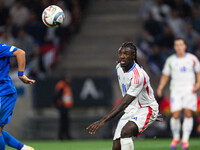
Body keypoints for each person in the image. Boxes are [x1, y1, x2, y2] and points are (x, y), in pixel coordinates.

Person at [87, 42, 162, 150]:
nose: (122, 56)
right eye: (120, 53)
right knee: (116, 145)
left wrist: (103, 120)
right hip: (131, 109)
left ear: (133, 56)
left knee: (126, 132)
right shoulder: (119, 68)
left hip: (146, 109)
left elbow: (124, 103)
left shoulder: (138, 76)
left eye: (126, 54)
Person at [157, 38, 200, 150]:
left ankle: (185, 140)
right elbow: (165, 75)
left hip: (189, 90)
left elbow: (198, 72)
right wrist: (161, 87)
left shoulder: (192, 59)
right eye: (177, 45)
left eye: (181, 44)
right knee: (175, 115)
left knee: (188, 114)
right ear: (174, 47)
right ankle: (176, 137)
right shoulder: (171, 60)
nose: (179, 47)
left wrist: (198, 83)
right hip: (176, 90)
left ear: (185, 46)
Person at [0, 42, 35, 150]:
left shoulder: (1, 48)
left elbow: (20, 53)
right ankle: (23, 148)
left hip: (4, 93)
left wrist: (21, 74)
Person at [54, 73, 74, 140]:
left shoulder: (66, 85)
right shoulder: (62, 85)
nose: (69, 79)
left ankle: (66, 135)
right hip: (63, 107)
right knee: (64, 122)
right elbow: (57, 96)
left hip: (66, 106)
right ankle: (62, 136)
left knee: (66, 122)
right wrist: (59, 105)